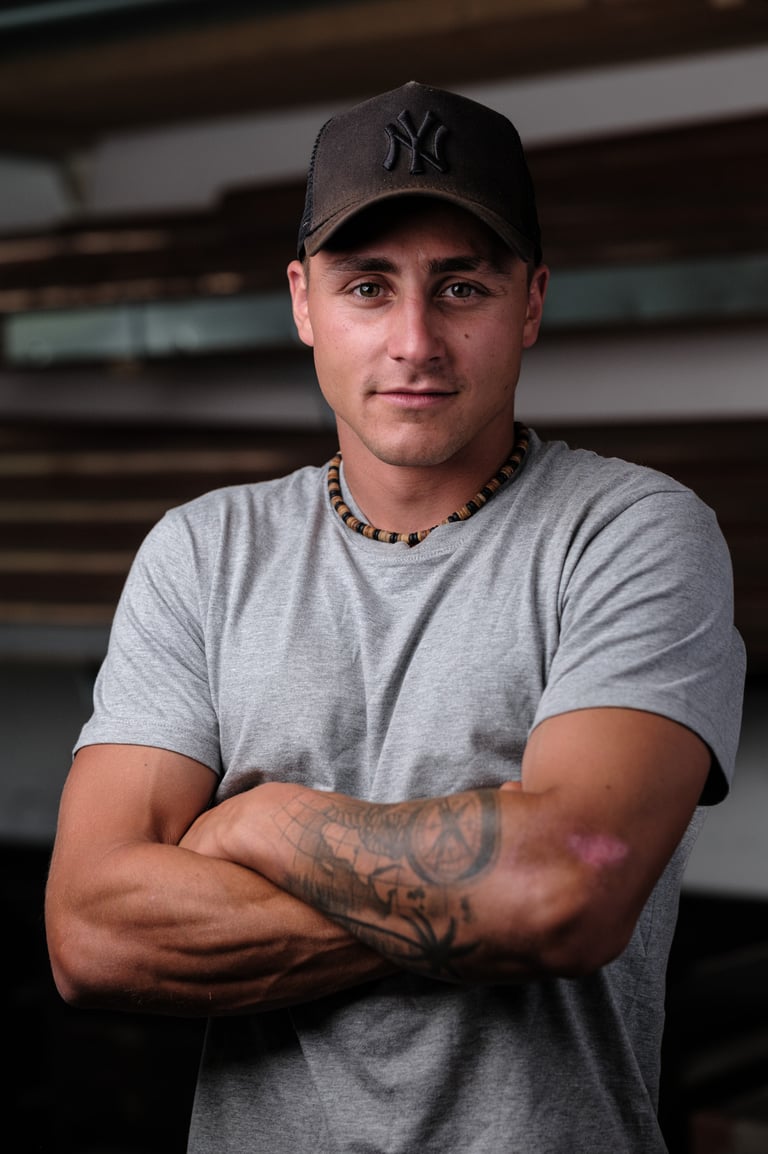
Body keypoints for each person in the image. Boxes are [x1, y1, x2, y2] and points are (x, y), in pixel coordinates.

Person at [45, 81, 745, 1153]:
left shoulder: (632, 533)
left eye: (462, 286)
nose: (415, 340)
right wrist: (480, 900)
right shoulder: (202, 553)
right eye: (368, 286)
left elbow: (567, 887)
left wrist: (260, 824)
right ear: (303, 303)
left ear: (531, 302)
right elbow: (90, 933)